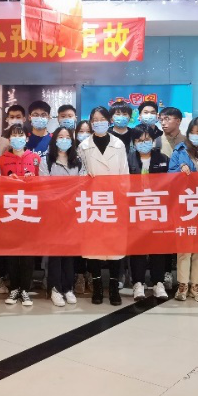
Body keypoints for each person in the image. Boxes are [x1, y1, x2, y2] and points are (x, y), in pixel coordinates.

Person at [77, 107, 129, 305]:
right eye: (95, 119)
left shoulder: (119, 144)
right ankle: (97, 287)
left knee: (115, 246)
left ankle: (114, 287)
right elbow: (79, 173)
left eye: (102, 119)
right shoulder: (83, 146)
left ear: (109, 121)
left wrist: (123, 199)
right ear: (91, 123)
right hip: (93, 202)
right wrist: (84, 177)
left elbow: (125, 174)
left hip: (115, 201)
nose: (98, 122)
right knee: (93, 247)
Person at [168, 116, 198, 302]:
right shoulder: (179, 151)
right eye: (193, 133)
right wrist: (179, 170)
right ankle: (182, 285)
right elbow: (169, 177)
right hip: (185, 205)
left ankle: (196, 285)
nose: (196, 136)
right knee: (184, 249)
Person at [0, 124, 40, 307]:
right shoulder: (2, 160)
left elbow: (43, 183)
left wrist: (33, 181)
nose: (17, 138)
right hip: (10, 210)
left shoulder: (35, 158)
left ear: (27, 138)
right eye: (13, 135)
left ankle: (25, 289)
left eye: (20, 135)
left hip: (30, 210)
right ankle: (14, 287)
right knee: (13, 252)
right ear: (9, 139)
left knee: (28, 253)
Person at [127, 128, 170, 300]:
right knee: (137, 247)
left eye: (147, 140)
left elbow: (171, 183)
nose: (143, 143)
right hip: (135, 210)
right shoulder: (128, 159)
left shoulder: (163, 159)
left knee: (157, 247)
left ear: (153, 141)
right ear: (134, 143)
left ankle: (158, 282)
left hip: (157, 209)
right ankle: (138, 283)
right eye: (139, 140)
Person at [45, 126, 83, 306]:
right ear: (54, 140)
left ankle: (68, 288)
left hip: (72, 213)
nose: (64, 140)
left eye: (67, 137)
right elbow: (44, 187)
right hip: (53, 213)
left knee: (69, 253)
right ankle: (55, 288)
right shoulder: (46, 161)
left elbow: (82, 185)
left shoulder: (78, 161)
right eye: (60, 137)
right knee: (55, 253)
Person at [72, 119, 94, 294]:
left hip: (94, 200)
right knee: (77, 241)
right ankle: (79, 274)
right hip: (75, 202)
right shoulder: (72, 151)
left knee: (91, 240)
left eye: (88, 131)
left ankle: (91, 274)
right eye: (81, 131)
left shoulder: (95, 149)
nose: (84, 135)